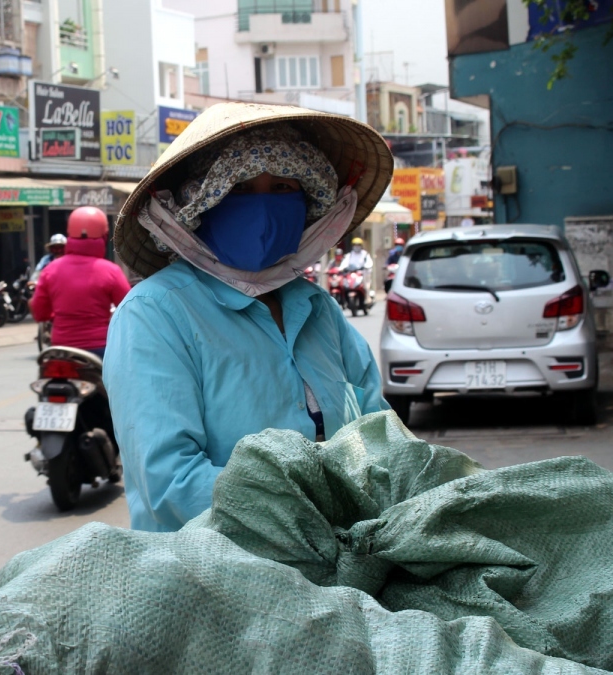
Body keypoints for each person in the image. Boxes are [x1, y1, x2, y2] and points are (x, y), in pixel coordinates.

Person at [104, 103, 395, 532]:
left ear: (306, 202)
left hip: (347, 555)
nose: (262, 208)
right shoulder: (154, 314)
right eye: (238, 190)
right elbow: (169, 482)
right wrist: (311, 522)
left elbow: (379, 432)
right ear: (201, 206)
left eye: (281, 188)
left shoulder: (319, 309)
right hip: (215, 572)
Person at [29, 207, 130, 358]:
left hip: (61, 349)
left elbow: (39, 312)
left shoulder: (50, 270)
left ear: (69, 235)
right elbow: (128, 310)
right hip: (99, 349)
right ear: (104, 236)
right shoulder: (111, 271)